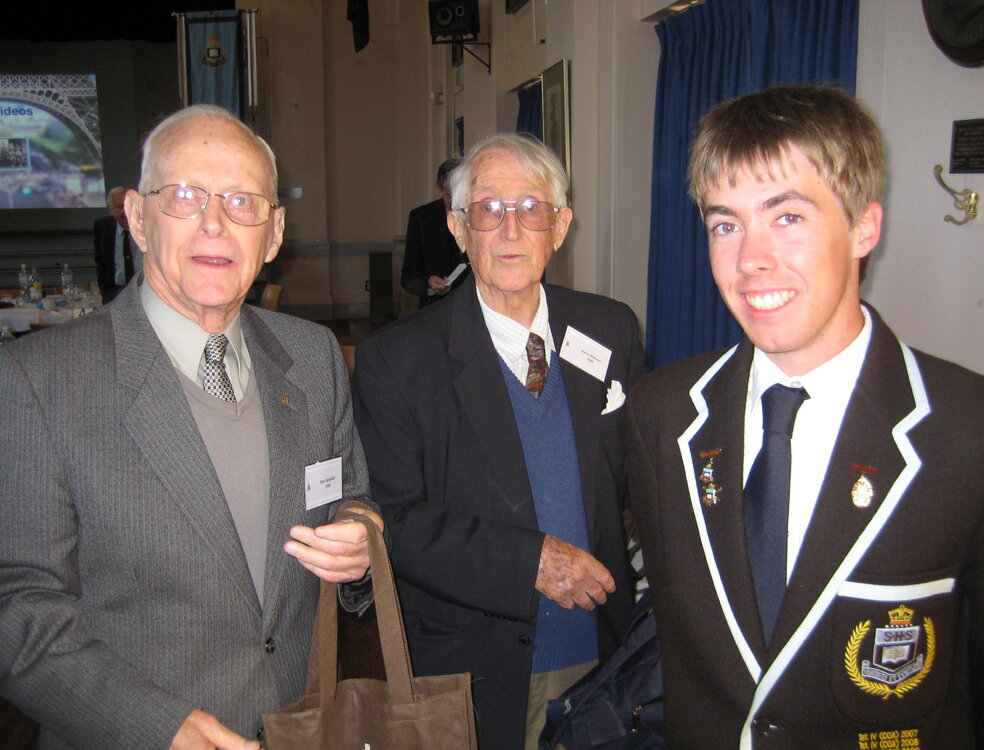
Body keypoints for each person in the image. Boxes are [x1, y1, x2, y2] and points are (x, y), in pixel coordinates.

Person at [0, 104, 382, 750]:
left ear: (274, 233)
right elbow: (11, 606)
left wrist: (362, 537)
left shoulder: (312, 357)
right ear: (138, 218)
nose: (215, 223)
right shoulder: (38, 380)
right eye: (186, 196)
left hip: (301, 726)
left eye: (241, 201)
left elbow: (349, 498)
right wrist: (154, 726)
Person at [625, 85, 984, 748]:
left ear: (864, 228)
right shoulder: (662, 414)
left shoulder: (965, 430)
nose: (750, 260)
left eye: (787, 216)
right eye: (725, 224)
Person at [353, 132, 645, 750]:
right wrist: (530, 561)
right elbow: (394, 520)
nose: (511, 229)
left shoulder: (610, 328)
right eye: (488, 209)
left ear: (559, 226)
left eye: (531, 207)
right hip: (477, 664)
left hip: (603, 650)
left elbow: (639, 481)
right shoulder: (398, 359)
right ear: (458, 228)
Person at [401, 158, 468, 307]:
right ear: (440, 189)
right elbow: (409, 277)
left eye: (461, 194)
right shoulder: (421, 218)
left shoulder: (481, 214)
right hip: (436, 307)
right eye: (450, 195)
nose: (456, 202)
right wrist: (428, 282)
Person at [93, 185, 142, 304]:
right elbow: (101, 264)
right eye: (120, 207)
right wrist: (105, 293)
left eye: (129, 206)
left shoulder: (147, 227)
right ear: (111, 210)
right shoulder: (103, 227)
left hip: (143, 290)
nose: (125, 211)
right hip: (114, 293)